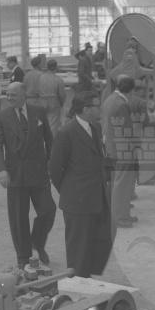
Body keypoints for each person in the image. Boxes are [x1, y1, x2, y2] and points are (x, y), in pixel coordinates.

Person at [0, 82, 55, 267]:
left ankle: (38, 242)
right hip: (15, 175)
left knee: (48, 210)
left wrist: (52, 164)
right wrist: (1, 170)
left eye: (13, 95)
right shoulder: (2, 116)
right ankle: (23, 256)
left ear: (23, 94)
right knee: (19, 218)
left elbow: (49, 140)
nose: (9, 98)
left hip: (39, 173)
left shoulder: (38, 112)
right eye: (7, 94)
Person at [49, 91, 112, 278]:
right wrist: (69, 190)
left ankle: (88, 277)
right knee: (79, 246)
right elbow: (54, 168)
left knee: (100, 239)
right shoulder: (66, 133)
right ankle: (77, 281)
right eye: (97, 106)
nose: (100, 109)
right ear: (85, 109)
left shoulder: (95, 128)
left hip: (97, 196)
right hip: (77, 200)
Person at [102, 75, 140, 228]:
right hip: (122, 148)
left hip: (112, 145)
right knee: (122, 184)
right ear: (131, 91)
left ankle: (123, 213)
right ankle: (119, 217)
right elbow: (126, 130)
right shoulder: (122, 104)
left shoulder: (110, 99)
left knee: (119, 183)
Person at [38, 59, 67, 136]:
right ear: (56, 67)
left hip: (41, 102)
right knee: (53, 124)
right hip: (54, 103)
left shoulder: (40, 78)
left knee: (43, 123)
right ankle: (50, 141)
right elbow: (62, 95)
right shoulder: (58, 79)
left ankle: (43, 139)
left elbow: (36, 91)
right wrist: (62, 103)